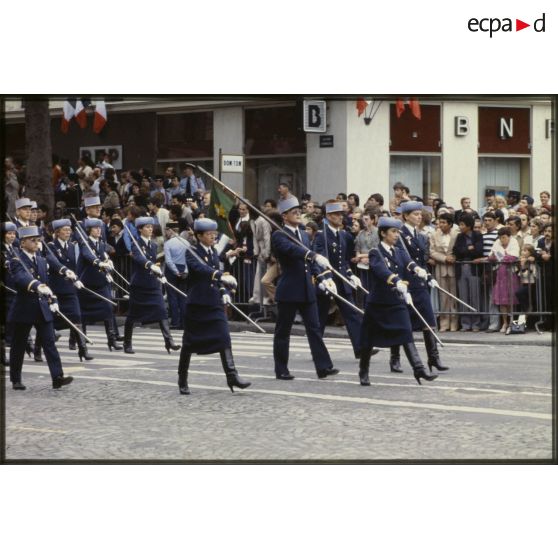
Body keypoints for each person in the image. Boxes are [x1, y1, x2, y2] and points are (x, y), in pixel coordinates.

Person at [358, 217, 438, 387]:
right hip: (379, 303)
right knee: (368, 339)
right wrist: (396, 281)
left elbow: (410, 264)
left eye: (397, 232)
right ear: (383, 233)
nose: (396, 235)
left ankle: (419, 369)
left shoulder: (399, 252)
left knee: (406, 332)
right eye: (393, 232)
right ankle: (363, 370)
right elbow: (381, 270)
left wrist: (421, 272)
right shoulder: (375, 252)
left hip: (396, 301)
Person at [177, 218, 251, 395]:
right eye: (209, 234)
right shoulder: (191, 252)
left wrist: (224, 290)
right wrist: (219, 275)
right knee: (189, 343)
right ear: (199, 235)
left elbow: (216, 271)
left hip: (214, 302)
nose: (213, 237)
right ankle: (182, 378)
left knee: (224, 336)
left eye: (214, 234)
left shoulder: (213, 253)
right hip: (198, 304)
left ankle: (232, 375)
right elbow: (201, 269)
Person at [271, 197, 339, 380]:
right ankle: (281, 369)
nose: (298, 214)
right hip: (289, 290)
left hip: (307, 289)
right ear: (284, 216)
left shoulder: (303, 234)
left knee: (315, 329)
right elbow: (294, 252)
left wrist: (322, 278)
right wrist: (313, 255)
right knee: (283, 331)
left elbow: (310, 263)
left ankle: (323, 367)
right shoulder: (279, 235)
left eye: (299, 211)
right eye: (294, 212)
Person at [8, 226, 74, 390]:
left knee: (49, 342)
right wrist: (37, 285)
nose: (37, 243)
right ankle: (16, 378)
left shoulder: (42, 260)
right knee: (19, 345)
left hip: (42, 308)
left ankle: (57, 377)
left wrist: (54, 299)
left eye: (38, 240)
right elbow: (21, 278)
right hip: (24, 309)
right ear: (23, 242)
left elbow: (48, 284)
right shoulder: (16, 261)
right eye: (33, 240)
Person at [395, 201, 448, 373]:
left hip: (419, 283)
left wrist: (430, 276)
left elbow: (421, 261)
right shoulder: (399, 234)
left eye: (420, 214)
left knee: (429, 320)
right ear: (405, 216)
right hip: (405, 283)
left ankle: (433, 358)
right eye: (415, 214)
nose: (419, 217)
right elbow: (399, 260)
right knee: (403, 323)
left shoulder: (420, 236)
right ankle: (394, 358)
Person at [313, 201, 367, 358]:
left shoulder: (343, 235)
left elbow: (343, 261)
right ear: (329, 216)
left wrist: (351, 275)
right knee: (321, 316)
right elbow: (318, 259)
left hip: (342, 280)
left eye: (341, 214)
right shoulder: (321, 235)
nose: (340, 217)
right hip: (327, 282)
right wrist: (324, 278)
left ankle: (360, 349)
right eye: (336, 215)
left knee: (351, 314)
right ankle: (317, 349)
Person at [122, 217, 181, 354]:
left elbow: (155, 263)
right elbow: (139, 258)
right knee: (132, 315)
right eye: (147, 227)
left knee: (161, 311)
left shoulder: (153, 245)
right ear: (140, 229)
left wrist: (160, 275)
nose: (150, 229)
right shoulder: (135, 243)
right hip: (140, 285)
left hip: (152, 284)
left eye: (151, 227)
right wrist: (150, 265)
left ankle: (169, 341)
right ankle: (127, 343)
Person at [46, 219, 92, 361]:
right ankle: (37, 348)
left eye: (69, 230)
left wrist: (77, 279)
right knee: (50, 322)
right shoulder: (51, 246)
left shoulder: (73, 246)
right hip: (56, 289)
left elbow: (76, 265)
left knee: (77, 317)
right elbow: (53, 262)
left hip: (70, 289)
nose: (68, 232)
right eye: (65, 230)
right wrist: (65, 271)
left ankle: (83, 350)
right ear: (57, 232)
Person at [77, 218, 123, 351]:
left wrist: (108, 262)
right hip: (87, 283)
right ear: (89, 231)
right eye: (95, 228)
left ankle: (112, 339)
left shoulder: (101, 244)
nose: (98, 230)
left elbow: (103, 255)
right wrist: (99, 262)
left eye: (99, 228)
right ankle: (82, 342)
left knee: (108, 309)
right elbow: (88, 256)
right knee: (84, 314)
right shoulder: (84, 243)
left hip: (100, 282)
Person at [453, 214, 484, 331]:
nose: (460, 227)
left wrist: (467, 250)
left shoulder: (477, 235)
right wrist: (469, 248)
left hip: (473, 269)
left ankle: (476, 323)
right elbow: (457, 251)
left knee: (475, 296)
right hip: (462, 268)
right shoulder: (459, 237)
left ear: (469, 226)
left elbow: (478, 250)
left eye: (462, 224)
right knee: (463, 296)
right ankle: (465, 323)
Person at [429, 213, 459, 332]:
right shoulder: (434, 235)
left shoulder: (456, 234)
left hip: (453, 268)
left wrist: (453, 257)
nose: (440, 225)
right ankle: (444, 322)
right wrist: (444, 258)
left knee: (454, 296)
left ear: (450, 224)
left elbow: (459, 248)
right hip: (440, 267)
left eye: (443, 223)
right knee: (443, 296)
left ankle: (454, 322)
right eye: (439, 222)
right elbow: (432, 251)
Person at [488, 227, 520, 332]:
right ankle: (504, 323)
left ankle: (511, 322)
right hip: (500, 274)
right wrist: (497, 257)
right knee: (502, 301)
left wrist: (500, 257)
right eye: (500, 237)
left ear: (509, 236)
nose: (502, 240)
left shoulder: (514, 242)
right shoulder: (497, 242)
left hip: (511, 274)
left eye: (504, 237)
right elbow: (491, 256)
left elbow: (514, 257)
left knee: (511, 299)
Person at [163, 222, 189, 329]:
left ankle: (175, 321)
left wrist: (175, 271)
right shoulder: (186, 243)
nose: (165, 233)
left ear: (170, 230)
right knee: (182, 296)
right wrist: (186, 271)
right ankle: (184, 322)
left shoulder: (168, 243)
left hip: (171, 270)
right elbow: (189, 259)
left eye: (166, 230)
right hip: (184, 268)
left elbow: (168, 261)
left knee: (172, 296)